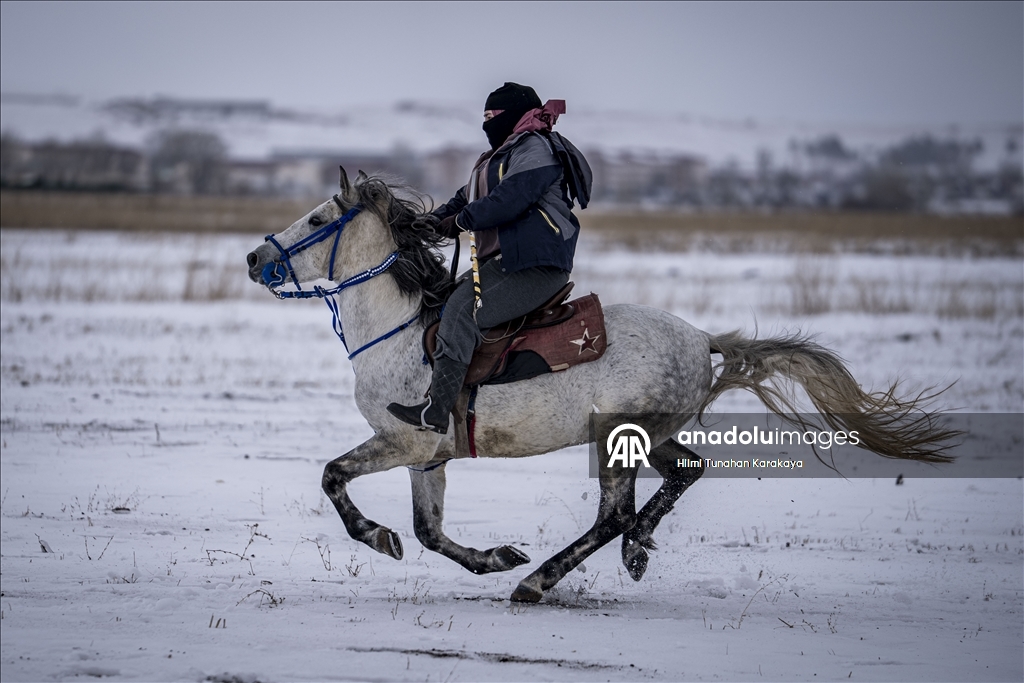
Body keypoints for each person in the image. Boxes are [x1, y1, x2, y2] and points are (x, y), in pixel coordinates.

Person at [387, 82, 591, 433]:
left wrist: (461, 221)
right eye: (483, 117)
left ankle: (436, 411)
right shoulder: (496, 157)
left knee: (461, 311)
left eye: (491, 116)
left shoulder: (536, 149)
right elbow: (463, 200)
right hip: (504, 264)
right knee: (449, 300)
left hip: (536, 266)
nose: (486, 124)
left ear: (512, 116)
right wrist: (431, 222)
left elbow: (508, 201)